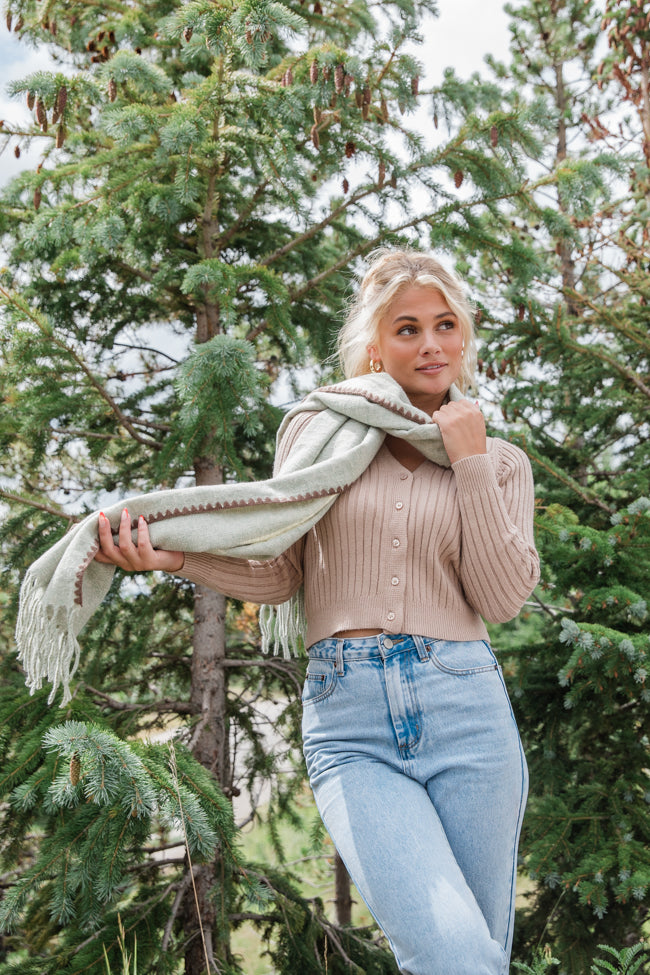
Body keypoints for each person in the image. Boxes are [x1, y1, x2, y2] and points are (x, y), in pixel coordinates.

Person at [95, 249, 540, 975]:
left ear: (464, 338)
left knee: (476, 957)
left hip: (469, 713)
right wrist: (179, 559)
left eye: (444, 325)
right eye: (407, 328)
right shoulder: (317, 434)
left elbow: (501, 597)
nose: (430, 344)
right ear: (375, 344)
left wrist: (470, 462)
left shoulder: (500, 462)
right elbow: (279, 570)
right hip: (350, 721)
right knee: (456, 956)